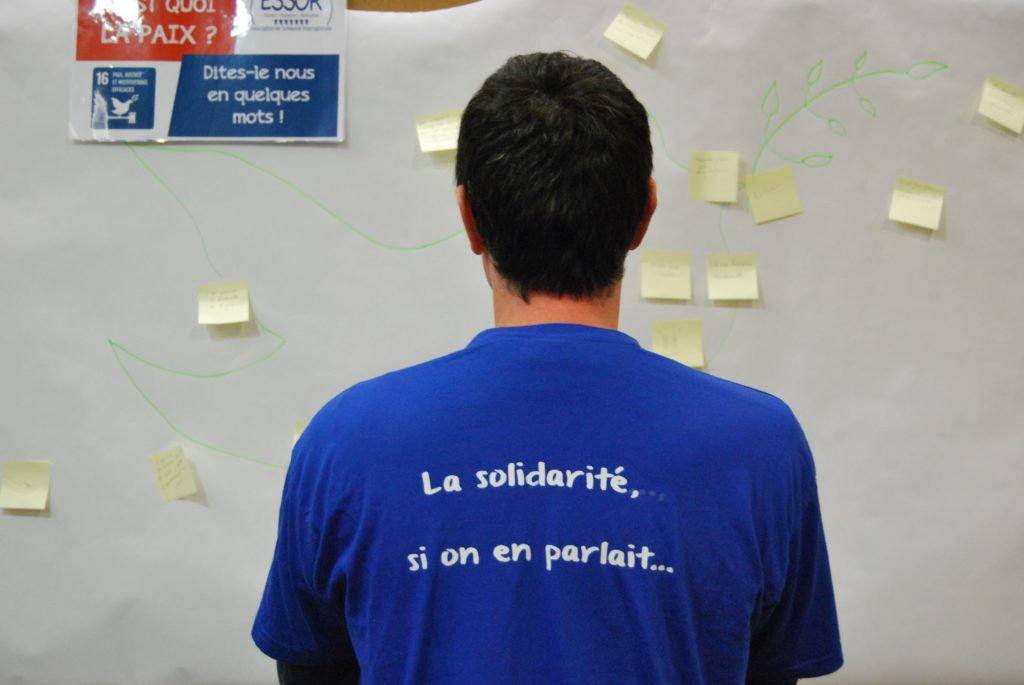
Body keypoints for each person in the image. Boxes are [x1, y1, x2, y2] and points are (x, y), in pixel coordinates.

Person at [252, 51, 843, 685]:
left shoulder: (346, 439)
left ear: (469, 218)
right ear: (645, 214)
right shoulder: (759, 444)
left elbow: (309, 670)